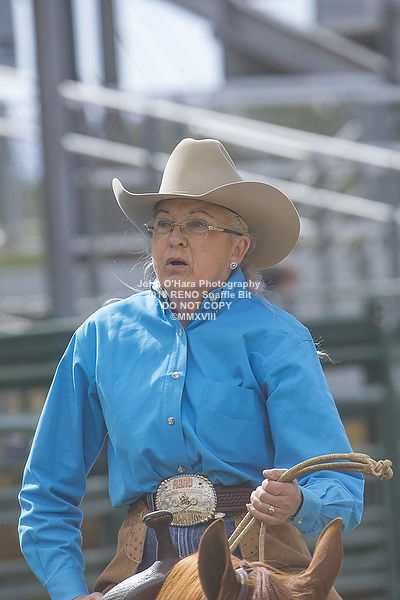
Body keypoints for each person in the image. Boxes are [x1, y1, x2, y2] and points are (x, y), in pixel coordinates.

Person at [18, 138, 364, 600]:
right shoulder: (100, 337)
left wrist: (301, 500)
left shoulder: (279, 339)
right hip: (141, 565)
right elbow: (45, 491)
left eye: (197, 224)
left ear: (238, 248)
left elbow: (341, 484)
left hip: (263, 560)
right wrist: (70, 592)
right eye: (163, 224)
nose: (175, 238)